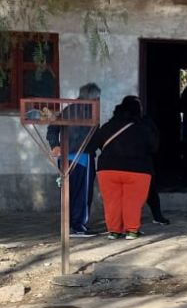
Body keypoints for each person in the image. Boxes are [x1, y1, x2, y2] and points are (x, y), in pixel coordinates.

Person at [90, 96, 159, 239]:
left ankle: (114, 231)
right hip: (137, 169)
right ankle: (131, 230)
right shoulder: (143, 127)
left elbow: (96, 143)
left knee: (111, 201)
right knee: (133, 201)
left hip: (107, 169)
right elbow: (153, 147)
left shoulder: (108, 126)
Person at [47, 82, 101, 238]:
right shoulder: (90, 111)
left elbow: (52, 128)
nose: (98, 100)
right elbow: (95, 136)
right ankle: (79, 226)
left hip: (64, 157)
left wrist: (55, 145)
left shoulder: (68, 109)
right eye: (97, 98)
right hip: (83, 157)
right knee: (82, 193)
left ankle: (68, 224)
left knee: (67, 192)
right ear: (94, 97)